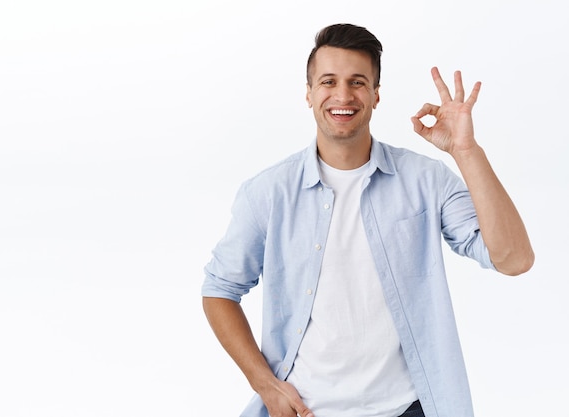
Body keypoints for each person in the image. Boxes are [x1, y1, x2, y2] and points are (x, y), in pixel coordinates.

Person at [201, 23, 534, 417]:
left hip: (409, 409)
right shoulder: (268, 193)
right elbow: (220, 290)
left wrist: (466, 150)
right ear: (308, 94)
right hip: (304, 410)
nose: (343, 95)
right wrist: (266, 386)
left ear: (376, 95)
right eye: (328, 81)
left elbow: (514, 260)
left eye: (357, 82)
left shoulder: (425, 181)